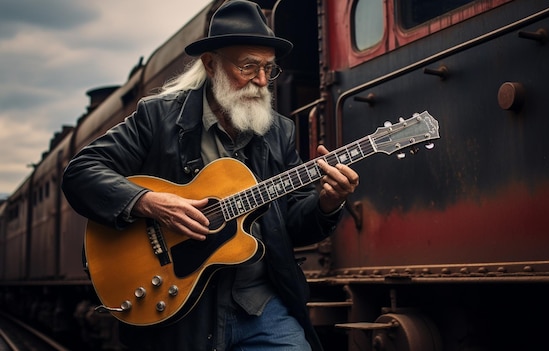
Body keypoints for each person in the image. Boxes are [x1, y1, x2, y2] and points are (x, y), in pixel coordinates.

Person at [62, 1, 359, 350]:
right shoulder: (158, 118)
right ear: (211, 64)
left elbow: (291, 223)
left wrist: (327, 202)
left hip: (259, 306)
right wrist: (149, 202)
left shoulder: (279, 132)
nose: (262, 81)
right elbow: (81, 172)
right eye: (249, 67)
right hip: (185, 310)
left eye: (269, 69)